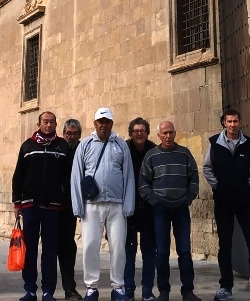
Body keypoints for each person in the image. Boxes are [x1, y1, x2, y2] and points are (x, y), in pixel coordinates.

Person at [202, 110, 250, 301]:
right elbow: (207, 167)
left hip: (244, 202)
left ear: (240, 123)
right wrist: (217, 185)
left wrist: (248, 184)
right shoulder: (214, 143)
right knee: (225, 245)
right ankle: (225, 286)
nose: (232, 124)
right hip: (223, 201)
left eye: (236, 121)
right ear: (224, 123)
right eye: (229, 121)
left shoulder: (249, 144)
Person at [71, 107, 135, 301]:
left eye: (107, 122)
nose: (103, 125)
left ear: (112, 124)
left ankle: (118, 287)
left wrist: (128, 205)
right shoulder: (85, 145)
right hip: (92, 205)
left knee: (118, 246)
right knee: (90, 245)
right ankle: (91, 287)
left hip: (116, 205)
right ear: (95, 123)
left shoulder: (120, 145)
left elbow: (128, 175)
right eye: (100, 121)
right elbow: (76, 175)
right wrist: (78, 206)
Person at [13, 111, 73, 301]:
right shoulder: (28, 146)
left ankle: (48, 291)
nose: (48, 125)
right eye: (45, 122)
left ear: (56, 124)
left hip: (53, 208)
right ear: (39, 124)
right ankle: (30, 289)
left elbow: (68, 174)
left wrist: (62, 191)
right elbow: (18, 175)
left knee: (50, 250)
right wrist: (17, 202)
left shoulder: (62, 147)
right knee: (29, 248)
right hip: (30, 205)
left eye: (52, 122)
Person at [138, 121, 200, 301]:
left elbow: (194, 177)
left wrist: (189, 197)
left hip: (181, 208)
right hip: (160, 210)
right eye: (164, 133)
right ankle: (163, 291)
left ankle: (188, 290)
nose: (168, 136)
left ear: (175, 133)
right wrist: (154, 201)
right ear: (158, 135)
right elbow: (143, 182)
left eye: (171, 132)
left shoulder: (184, 154)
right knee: (162, 251)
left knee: (185, 251)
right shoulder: (151, 156)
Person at [124, 118, 158, 301]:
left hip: (148, 209)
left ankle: (147, 290)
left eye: (142, 130)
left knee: (149, 252)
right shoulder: (123, 149)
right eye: (136, 130)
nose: (139, 133)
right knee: (128, 252)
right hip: (128, 209)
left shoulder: (154, 150)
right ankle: (128, 290)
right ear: (131, 132)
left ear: (147, 133)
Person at [60, 119, 84, 300]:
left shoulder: (84, 150)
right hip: (53, 204)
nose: (71, 137)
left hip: (72, 205)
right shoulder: (56, 148)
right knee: (51, 246)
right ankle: (46, 289)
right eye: (68, 133)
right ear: (63, 133)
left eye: (75, 134)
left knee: (68, 245)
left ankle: (69, 288)